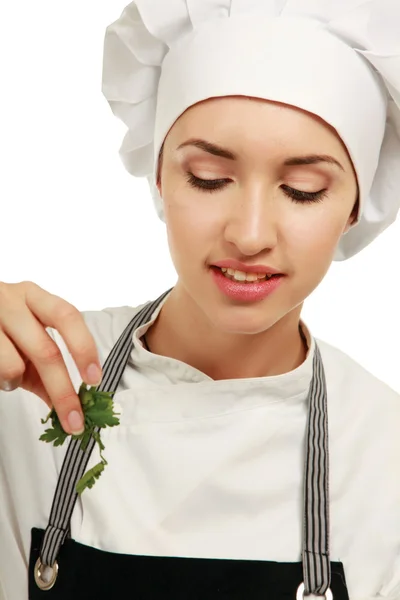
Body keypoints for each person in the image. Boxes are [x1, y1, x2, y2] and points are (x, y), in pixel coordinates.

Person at [0, 1, 400, 599]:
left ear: (353, 207)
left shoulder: (384, 456)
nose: (250, 233)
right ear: (158, 174)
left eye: (303, 190)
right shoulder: (28, 379)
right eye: (210, 177)